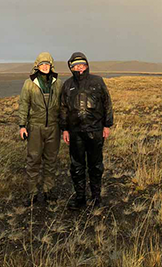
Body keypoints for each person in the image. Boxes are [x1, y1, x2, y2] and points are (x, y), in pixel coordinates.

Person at [59, 52, 114, 209]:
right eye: (75, 65)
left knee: (95, 165)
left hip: (95, 130)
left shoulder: (97, 81)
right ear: (71, 67)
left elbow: (107, 103)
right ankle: (80, 198)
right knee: (77, 165)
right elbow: (63, 108)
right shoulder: (67, 85)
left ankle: (96, 197)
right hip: (75, 132)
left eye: (81, 64)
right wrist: (64, 129)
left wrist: (106, 125)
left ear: (87, 65)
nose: (79, 68)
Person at [18, 52, 62, 206]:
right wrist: (22, 125)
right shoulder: (29, 83)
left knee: (51, 160)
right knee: (33, 159)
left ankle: (48, 190)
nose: (45, 66)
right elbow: (24, 104)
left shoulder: (58, 83)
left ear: (51, 66)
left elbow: (63, 106)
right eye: (42, 64)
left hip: (53, 127)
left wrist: (65, 126)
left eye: (47, 64)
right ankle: (32, 193)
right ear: (37, 65)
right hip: (35, 127)